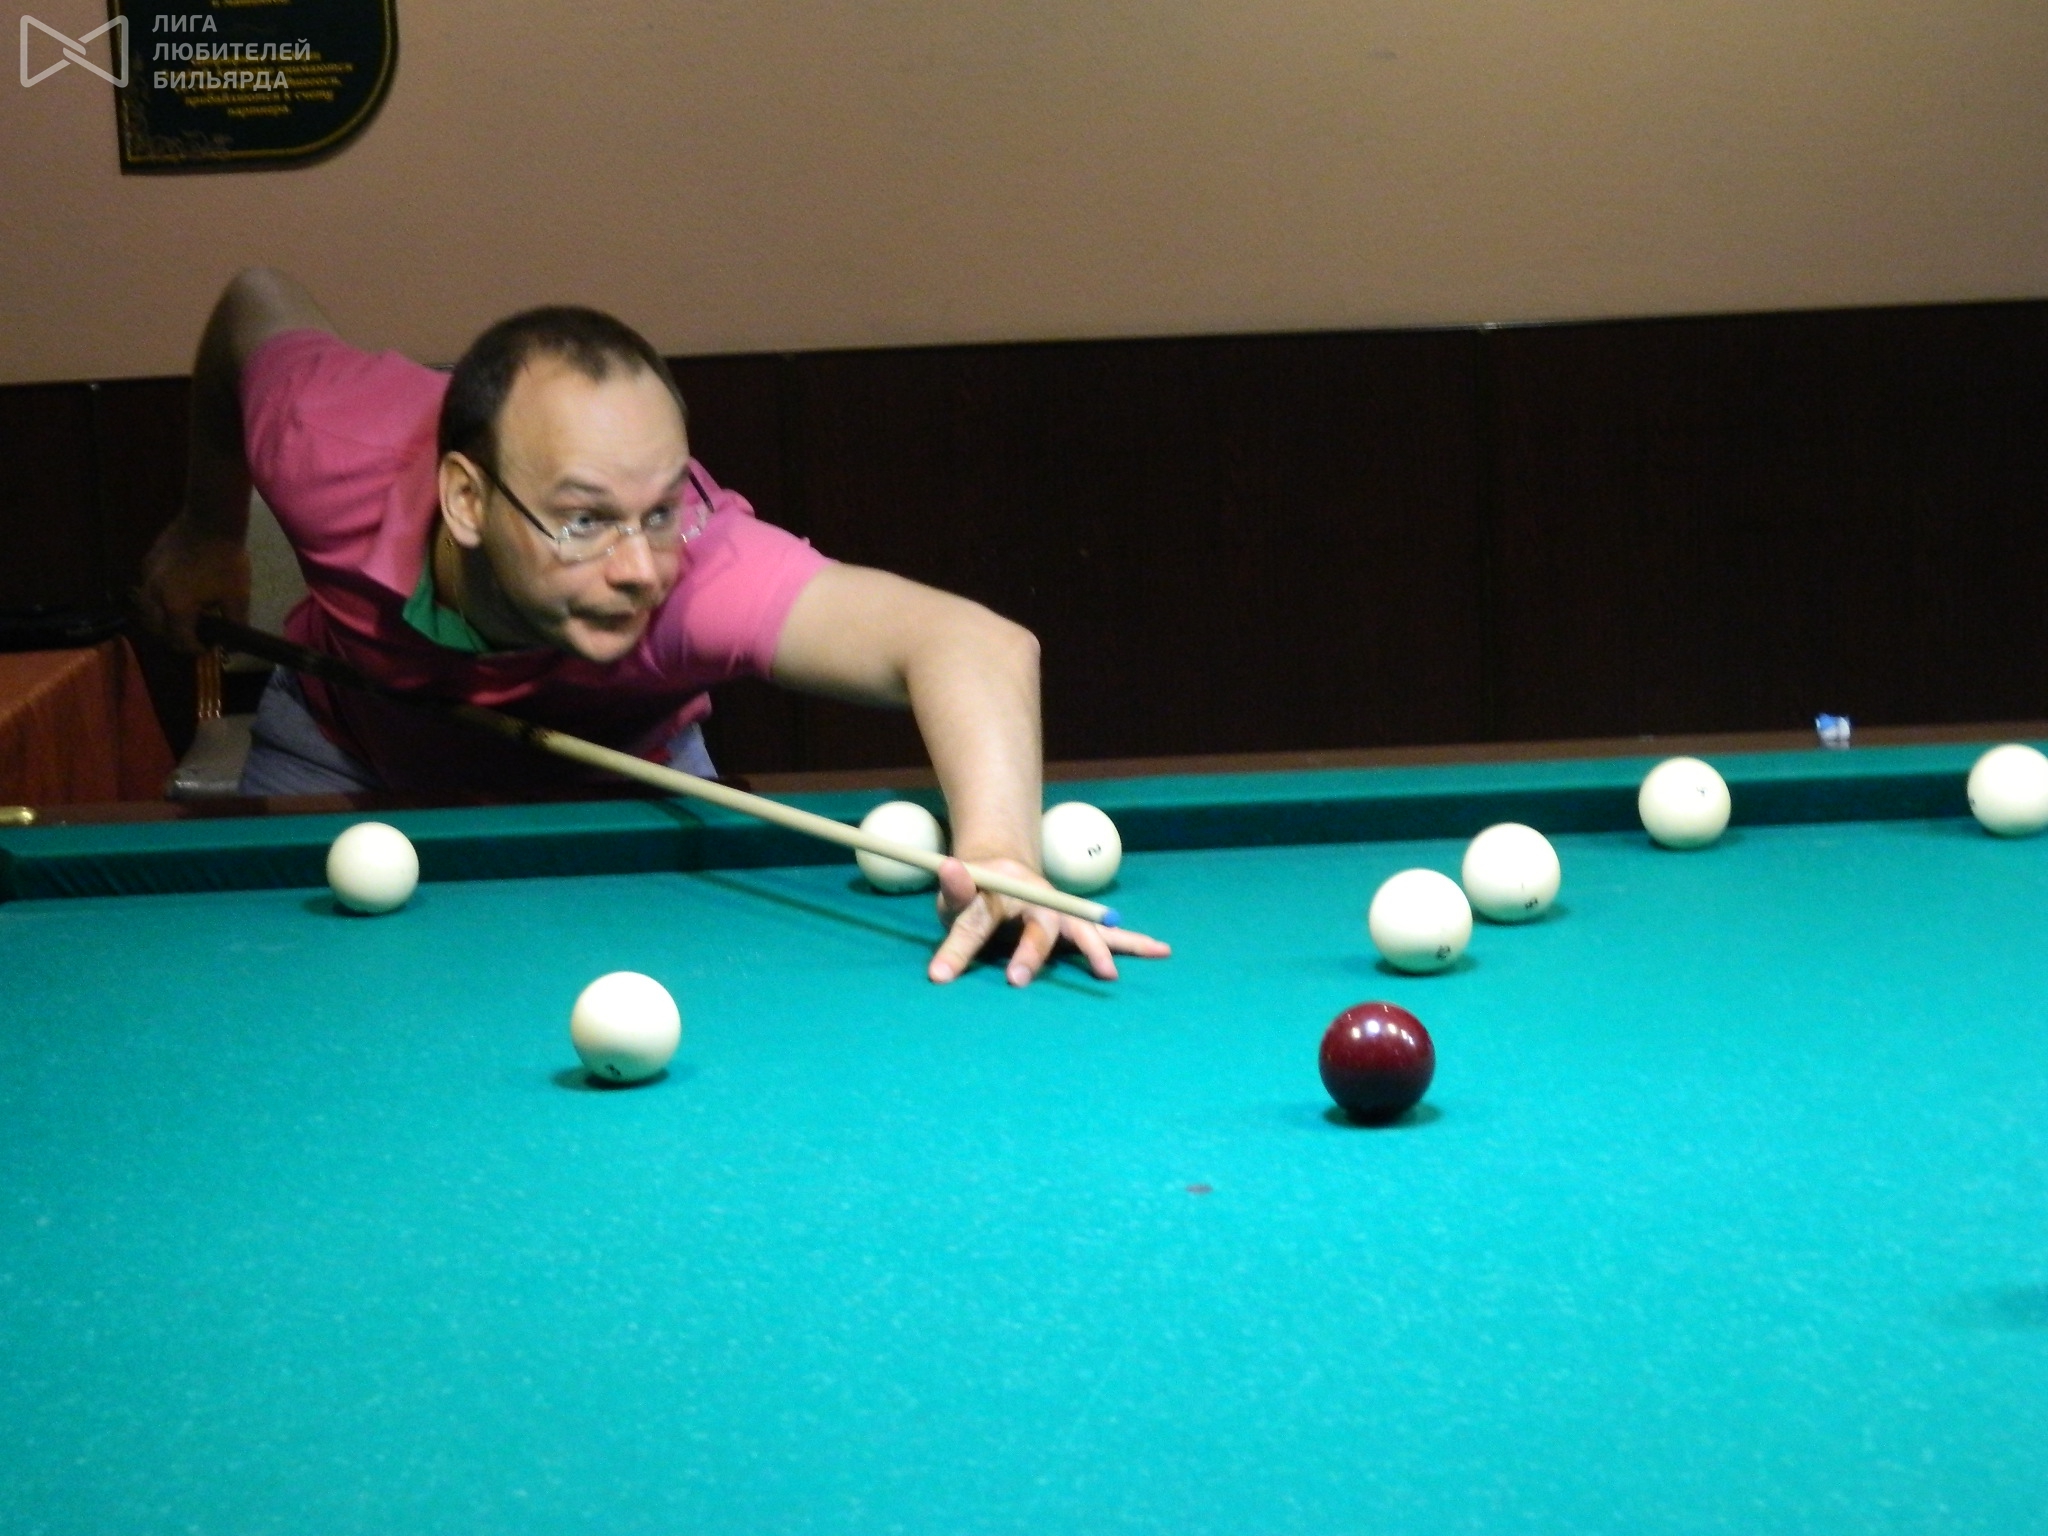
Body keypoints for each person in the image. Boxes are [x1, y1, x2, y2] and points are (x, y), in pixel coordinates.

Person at [139, 268, 1168, 988]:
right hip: (345, 745)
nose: (637, 569)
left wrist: (1000, 851)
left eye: (660, 510)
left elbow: (973, 643)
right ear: (465, 500)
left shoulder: (697, 578)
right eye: (584, 520)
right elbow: (253, 302)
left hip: (632, 771)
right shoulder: (330, 442)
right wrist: (206, 528)